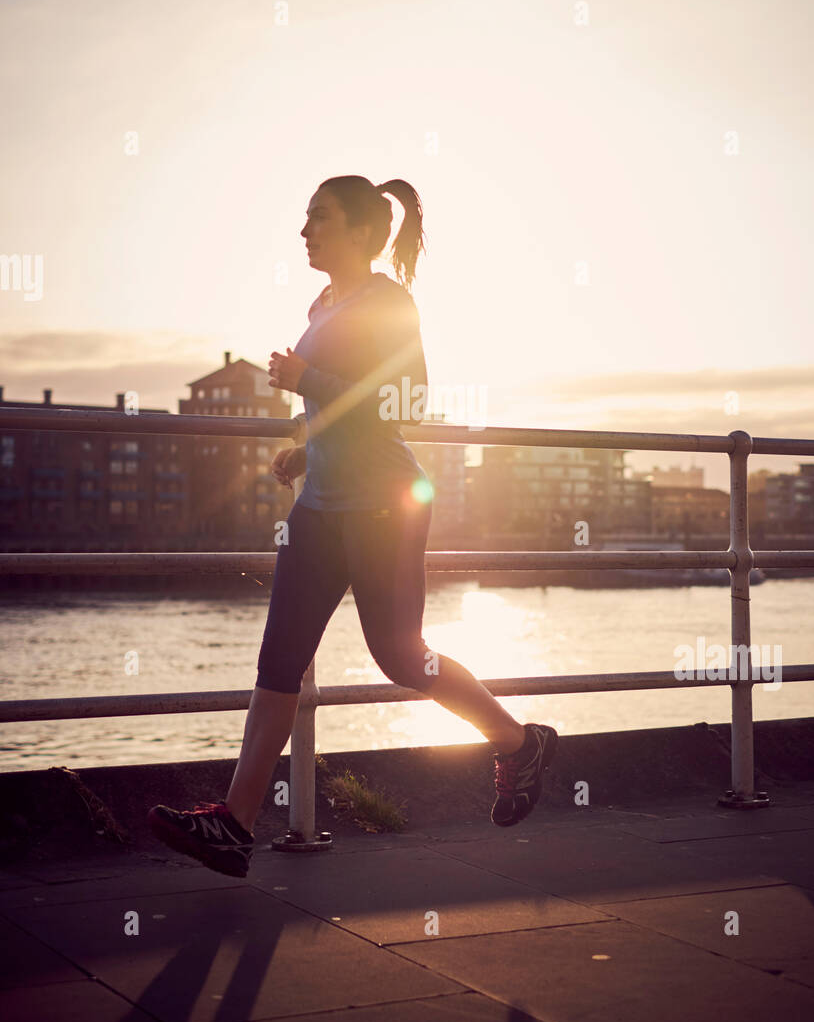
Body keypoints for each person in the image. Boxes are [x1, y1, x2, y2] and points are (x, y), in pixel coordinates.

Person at [148, 176, 557, 877]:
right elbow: (354, 405)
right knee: (278, 664)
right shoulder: (322, 303)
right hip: (320, 507)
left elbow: (409, 398)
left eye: (321, 219)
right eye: (305, 219)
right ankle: (235, 826)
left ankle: (518, 743)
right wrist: (308, 446)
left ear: (362, 232)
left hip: (385, 502)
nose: (306, 231)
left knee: (400, 656)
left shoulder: (390, 301)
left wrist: (308, 381)